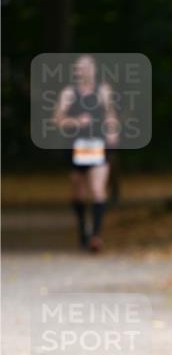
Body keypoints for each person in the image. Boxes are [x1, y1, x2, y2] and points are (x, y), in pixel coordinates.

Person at [52, 54, 119, 251]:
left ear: (94, 70)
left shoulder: (103, 90)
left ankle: (96, 236)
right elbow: (58, 120)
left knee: (98, 190)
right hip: (76, 146)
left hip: (99, 144)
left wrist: (113, 133)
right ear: (76, 71)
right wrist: (75, 122)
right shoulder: (69, 93)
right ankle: (83, 229)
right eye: (81, 68)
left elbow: (110, 114)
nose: (84, 71)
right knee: (79, 191)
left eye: (88, 67)